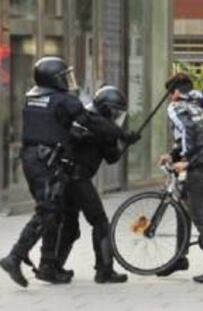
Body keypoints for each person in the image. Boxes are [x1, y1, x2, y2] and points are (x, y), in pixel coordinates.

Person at [0, 57, 86, 287]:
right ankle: (15, 256)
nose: (67, 81)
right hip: (46, 160)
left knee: (55, 211)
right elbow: (86, 119)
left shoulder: (32, 96)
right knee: (48, 210)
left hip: (33, 159)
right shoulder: (63, 100)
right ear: (53, 79)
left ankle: (48, 267)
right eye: (63, 77)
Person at [40, 85, 140, 284]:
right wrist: (123, 138)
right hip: (77, 179)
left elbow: (111, 156)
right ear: (105, 108)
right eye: (114, 111)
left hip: (66, 178)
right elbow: (108, 149)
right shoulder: (93, 122)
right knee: (100, 222)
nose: (116, 116)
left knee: (69, 226)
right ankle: (104, 270)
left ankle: (52, 267)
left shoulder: (94, 122)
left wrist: (123, 141)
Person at [158, 73, 203, 283]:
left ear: (175, 92)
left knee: (198, 215)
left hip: (201, 166)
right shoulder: (201, 105)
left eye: (170, 94)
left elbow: (188, 132)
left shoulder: (177, 107)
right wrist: (173, 155)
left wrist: (187, 161)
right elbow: (196, 137)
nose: (171, 98)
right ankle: (180, 257)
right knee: (182, 206)